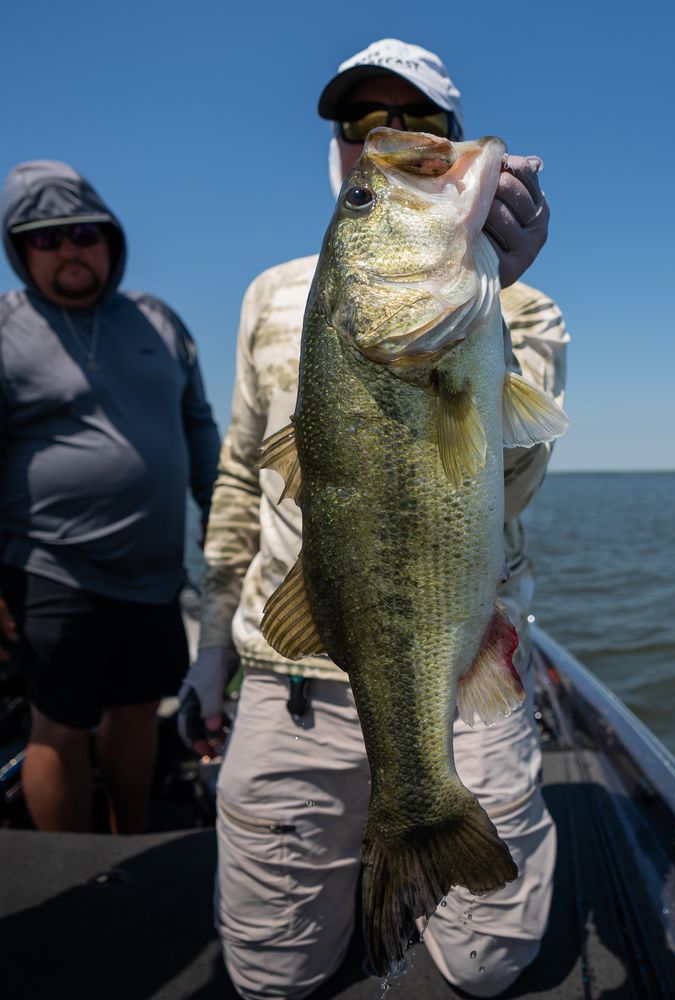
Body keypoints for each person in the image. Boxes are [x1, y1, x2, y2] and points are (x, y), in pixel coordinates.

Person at [179, 39, 569, 999]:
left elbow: (513, 480)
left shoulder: (526, 306)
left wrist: (503, 292)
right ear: (338, 154)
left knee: (486, 968)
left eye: (418, 125)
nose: (387, 141)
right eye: (361, 130)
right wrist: (207, 647)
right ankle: (388, 837)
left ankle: (417, 811)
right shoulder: (270, 295)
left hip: (461, 649)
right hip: (289, 678)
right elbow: (238, 474)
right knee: (271, 981)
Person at [0, 160, 221, 834]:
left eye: (84, 231)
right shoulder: (7, 329)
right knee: (57, 725)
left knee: (136, 710)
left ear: (111, 239)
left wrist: (224, 516)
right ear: (20, 249)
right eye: (46, 238)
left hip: (155, 578)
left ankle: (128, 838)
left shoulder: (158, 321)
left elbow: (198, 425)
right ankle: (69, 867)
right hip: (52, 572)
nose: (69, 247)